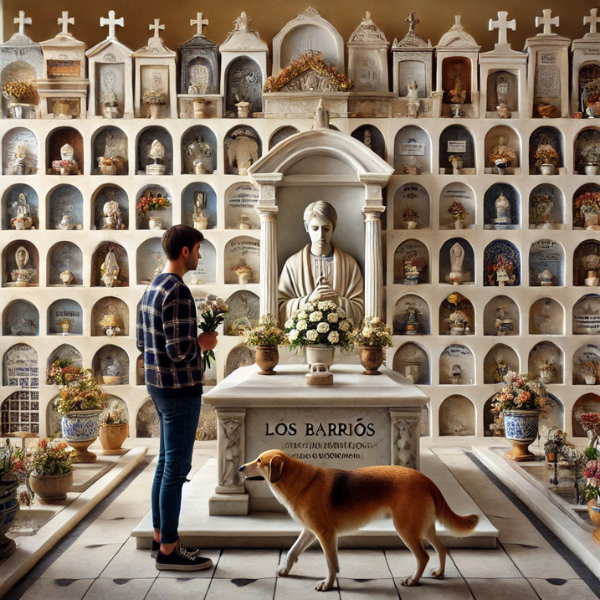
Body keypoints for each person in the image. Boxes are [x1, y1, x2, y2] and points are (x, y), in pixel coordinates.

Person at [136, 225, 218, 571]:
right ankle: (169, 549)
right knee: (177, 469)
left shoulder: (153, 286)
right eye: (198, 249)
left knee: (164, 463)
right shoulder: (180, 292)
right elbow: (181, 350)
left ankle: (159, 533)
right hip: (180, 390)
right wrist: (205, 342)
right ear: (185, 251)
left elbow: (142, 345)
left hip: (156, 386)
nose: (199, 255)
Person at [278, 201, 364, 325]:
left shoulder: (349, 264)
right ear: (306, 227)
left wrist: (337, 301)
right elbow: (281, 308)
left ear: (333, 228)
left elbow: (360, 309)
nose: (321, 235)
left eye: (326, 229)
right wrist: (309, 300)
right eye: (315, 228)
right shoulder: (292, 264)